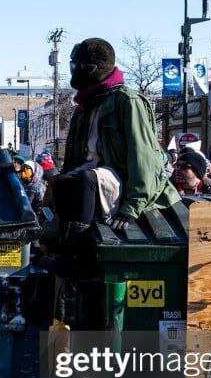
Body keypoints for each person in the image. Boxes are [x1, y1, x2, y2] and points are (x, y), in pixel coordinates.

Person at [47, 38, 177, 246]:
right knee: (62, 183)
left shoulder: (127, 101)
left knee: (87, 179)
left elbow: (143, 157)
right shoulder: (85, 106)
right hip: (96, 173)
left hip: (122, 179)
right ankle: (63, 246)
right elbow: (72, 158)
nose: (74, 71)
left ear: (91, 69)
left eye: (77, 66)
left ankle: (79, 248)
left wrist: (131, 208)